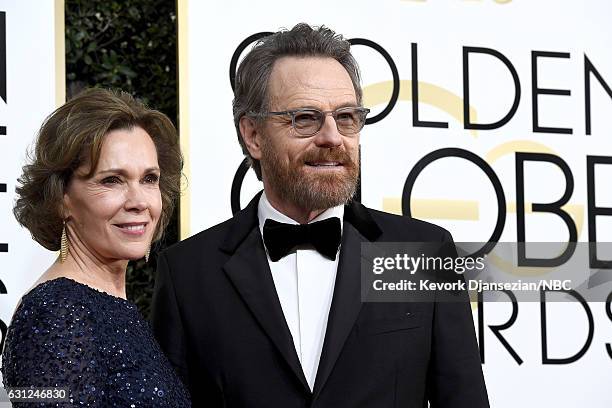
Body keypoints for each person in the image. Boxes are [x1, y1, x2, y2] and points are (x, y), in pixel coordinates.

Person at [152, 23, 489, 407]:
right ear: (253, 135)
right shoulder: (188, 273)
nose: (332, 137)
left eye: (346, 117)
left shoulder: (422, 253)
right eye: (305, 118)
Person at [1, 88, 191, 407]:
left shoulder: (107, 305)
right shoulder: (57, 312)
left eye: (149, 179)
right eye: (111, 180)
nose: (138, 202)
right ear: (61, 198)